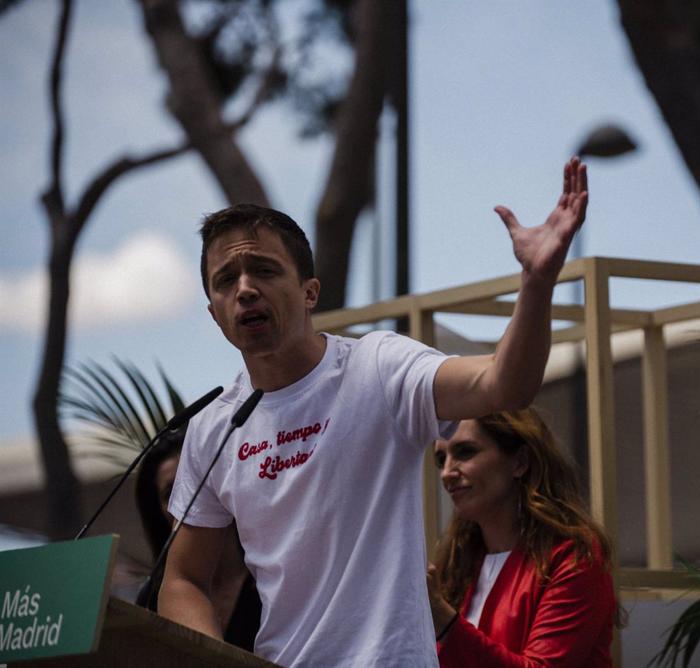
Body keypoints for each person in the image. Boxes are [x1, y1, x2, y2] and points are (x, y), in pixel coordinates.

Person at [158, 159, 589, 667]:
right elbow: (182, 579)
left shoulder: (377, 367)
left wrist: (536, 283)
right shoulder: (214, 427)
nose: (245, 289)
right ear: (214, 312)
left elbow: (504, 384)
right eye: (225, 280)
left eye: (265, 270)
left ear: (309, 292)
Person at [427, 408, 618, 666]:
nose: (446, 472)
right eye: (441, 459)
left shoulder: (573, 557)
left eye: (465, 452)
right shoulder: (458, 560)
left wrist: (441, 616)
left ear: (519, 462)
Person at [134, 427, 261, 651]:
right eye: (170, 494)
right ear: (161, 512)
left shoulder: (269, 576)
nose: (187, 499)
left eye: (196, 483)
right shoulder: (151, 597)